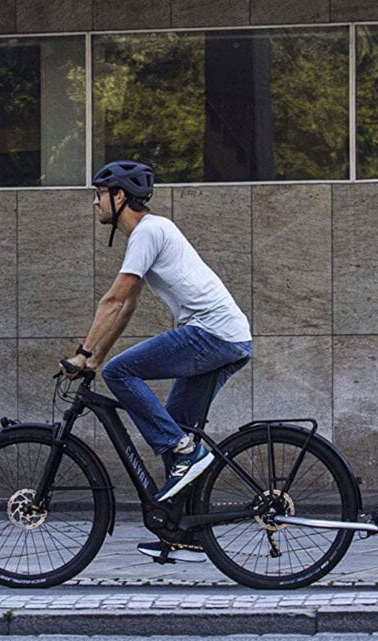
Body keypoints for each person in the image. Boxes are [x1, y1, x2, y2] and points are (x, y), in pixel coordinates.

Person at [62, 160, 252, 563]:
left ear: (119, 196)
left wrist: (84, 355)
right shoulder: (152, 233)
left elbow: (113, 299)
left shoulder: (149, 230)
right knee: (178, 430)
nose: (95, 203)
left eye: (99, 194)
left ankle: (187, 454)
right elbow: (126, 306)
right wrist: (94, 358)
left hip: (211, 334)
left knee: (125, 377)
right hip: (229, 338)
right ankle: (186, 534)